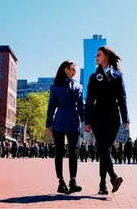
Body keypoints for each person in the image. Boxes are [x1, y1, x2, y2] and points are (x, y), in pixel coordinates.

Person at [85, 46, 129, 195]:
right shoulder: (93, 77)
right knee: (103, 147)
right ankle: (112, 177)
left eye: (99, 55)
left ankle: (103, 184)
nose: (96, 57)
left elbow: (122, 98)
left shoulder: (117, 76)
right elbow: (89, 100)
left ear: (106, 57)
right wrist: (87, 121)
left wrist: (125, 118)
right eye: (95, 55)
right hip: (97, 116)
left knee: (105, 149)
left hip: (113, 117)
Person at [46, 60, 84, 194]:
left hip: (74, 122)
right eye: (72, 69)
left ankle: (73, 181)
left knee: (74, 153)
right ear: (65, 69)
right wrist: (48, 124)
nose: (74, 71)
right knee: (59, 152)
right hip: (59, 122)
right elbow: (51, 106)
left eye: (75, 69)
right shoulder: (55, 86)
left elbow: (81, 106)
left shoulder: (79, 86)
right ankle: (61, 181)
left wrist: (86, 122)